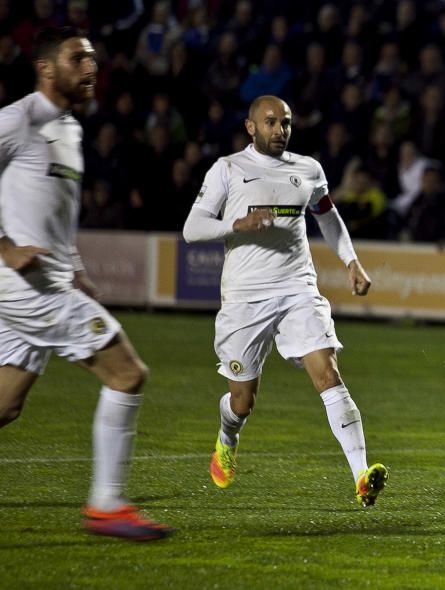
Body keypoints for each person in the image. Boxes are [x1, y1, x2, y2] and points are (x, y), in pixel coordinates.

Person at [0, 27, 172, 541]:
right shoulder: (18, 120)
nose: (91, 66)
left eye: (94, 58)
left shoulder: (70, 130)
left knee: (5, 405)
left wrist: (75, 269)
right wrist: (5, 248)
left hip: (48, 282)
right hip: (26, 287)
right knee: (127, 373)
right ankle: (107, 505)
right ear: (46, 68)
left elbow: (58, 214)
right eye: (78, 58)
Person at [181, 95, 388, 508]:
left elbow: (327, 216)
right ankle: (227, 436)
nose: (280, 130)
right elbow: (192, 228)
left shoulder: (308, 169)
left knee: (328, 373)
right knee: (242, 401)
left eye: (286, 123)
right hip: (244, 297)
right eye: (271, 122)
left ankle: (361, 476)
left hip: (297, 288)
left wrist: (351, 261)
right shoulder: (228, 169)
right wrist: (235, 223)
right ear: (251, 127)